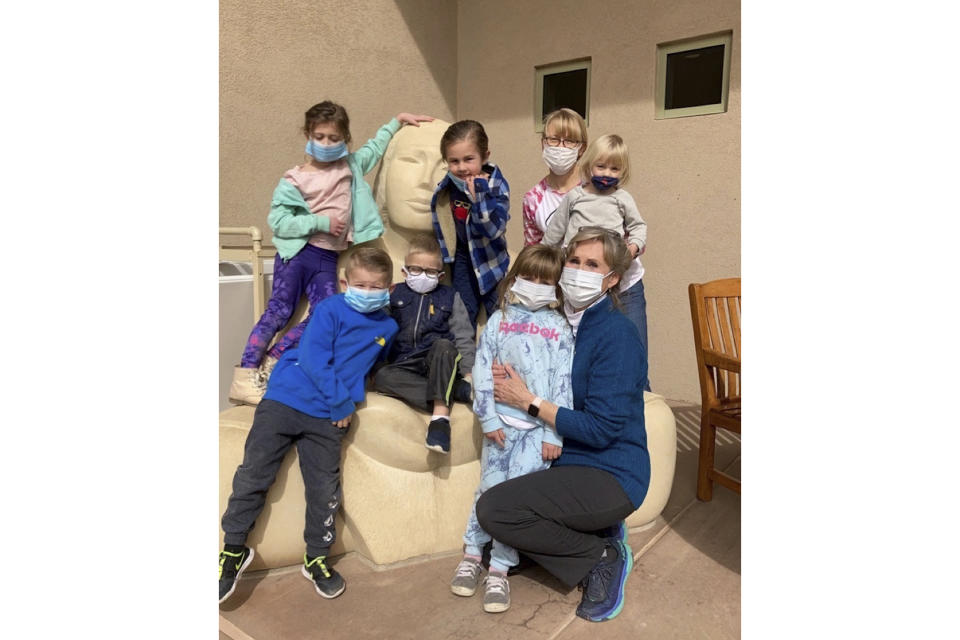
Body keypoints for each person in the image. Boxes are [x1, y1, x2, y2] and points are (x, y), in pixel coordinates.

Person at [475, 228, 650, 624]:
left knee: (496, 512)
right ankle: (596, 532)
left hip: (611, 471)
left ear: (612, 280)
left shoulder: (617, 335)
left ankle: (601, 557)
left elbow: (602, 429)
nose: (578, 271)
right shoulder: (556, 322)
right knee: (494, 543)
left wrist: (530, 403)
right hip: (563, 459)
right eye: (574, 260)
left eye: (592, 265)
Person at [219, 247, 398, 604]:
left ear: (389, 289)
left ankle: (316, 557)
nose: (367, 291)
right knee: (254, 474)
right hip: (287, 399)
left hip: (328, 419)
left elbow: (374, 366)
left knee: (324, 490)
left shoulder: (388, 326)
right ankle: (233, 550)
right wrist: (341, 400)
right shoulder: (330, 308)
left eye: (375, 286)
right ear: (345, 283)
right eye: (359, 284)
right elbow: (316, 357)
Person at [229, 101, 432, 405]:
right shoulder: (294, 179)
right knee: (279, 311)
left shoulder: (350, 167)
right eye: (320, 137)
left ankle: (272, 361)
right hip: (298, 254)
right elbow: (279, 221)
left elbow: (374, 150)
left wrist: (397, 122)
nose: (326, 144)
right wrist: (321, 222)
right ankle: (244, 376)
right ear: (308, 136)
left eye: (334, 138)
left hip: (328, 259)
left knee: (323, 315)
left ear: (345, 139)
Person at [449, 244, 574, 614]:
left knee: (516, 503)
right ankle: (472, 554)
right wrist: (487, 418)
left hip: (537, 434)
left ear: (555, 286)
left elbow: (562, 381)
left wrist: (553, 432)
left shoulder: (559, 329)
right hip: (501, 428)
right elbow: (484, 373)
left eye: (544, 280)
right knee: (487, 490)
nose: (535, 285)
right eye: (529, 276)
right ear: (515, 276)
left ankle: (500, 569)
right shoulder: (498, 322)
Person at [541, 134, 651, 391]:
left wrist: (632, 248)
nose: (607, 173)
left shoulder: (622, 198)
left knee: (636, 352)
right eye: (601, 166)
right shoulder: (575, 197)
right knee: (578, 351)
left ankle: (645, 407)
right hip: (584, 284)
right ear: (589, 165)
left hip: (623, 284)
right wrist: (544, 265)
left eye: (615, 168)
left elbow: (639, 227)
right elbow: (553, 235)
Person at [371, 233, 476, 454]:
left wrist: (468, 373)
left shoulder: (450, 296)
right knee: (381, 376)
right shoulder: (393, 293)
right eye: (416, 269)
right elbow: (378, 328)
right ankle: (454, 391)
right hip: (405, 363)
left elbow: (463, 335)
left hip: (438, 362)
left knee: (444, 345)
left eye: (430, 271)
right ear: (405, 271)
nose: (423, 275)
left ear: (440, 274)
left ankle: (439, 420)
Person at [429, 120, 510, 331]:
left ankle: (500, 358)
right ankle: (465, 360)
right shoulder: (448, 185)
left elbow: (493, 230)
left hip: (490, 259)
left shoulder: (496, 185)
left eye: (469, 159)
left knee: (499, 315)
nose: (462, 167)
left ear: (485, 156)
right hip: (462, 258)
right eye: (454, 161)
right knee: (463, 314)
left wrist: (480, 197)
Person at [522, 108, 589, 246]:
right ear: (543, 144)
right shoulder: (533, 199)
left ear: (582, 148)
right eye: (553, 139)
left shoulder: (596, 188)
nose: (560, 147)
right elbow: (533, 253)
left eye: (570, 140)